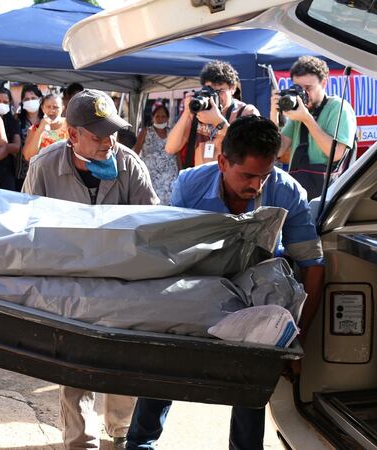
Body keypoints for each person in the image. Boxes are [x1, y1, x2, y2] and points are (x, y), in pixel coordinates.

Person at [127, 115, 325, 450]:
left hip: (257, 300)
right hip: (196, 288)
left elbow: (313, 265)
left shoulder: (288, 190)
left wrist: (296, 339)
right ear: (222, 161)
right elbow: (170, 255)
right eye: (247, 175)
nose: (257, 186)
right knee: (162, 368)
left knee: (250, 385)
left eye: (264, 176)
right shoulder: (188, 185)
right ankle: (140, 444)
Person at [23, 89, 159, 450]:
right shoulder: (45, 167)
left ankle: (121, 429)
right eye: (98, 135)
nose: (108, 142)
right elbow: (27, 229)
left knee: (123, 364)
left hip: (123, 283)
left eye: (112, 132)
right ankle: (81, 443)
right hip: (69, 286)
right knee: (75, 368)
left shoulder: (130, 165)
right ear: (73, 135)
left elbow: (153, 226)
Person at [271, 56, 357, 199]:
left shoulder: (339, 108)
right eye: (298, 88)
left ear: (324, 83)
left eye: (308, 88)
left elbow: (336, 154)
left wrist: (307, 119)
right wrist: (274, 114)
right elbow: (277, 151)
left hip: (329, 196)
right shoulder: (300, 111)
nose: (303, 94)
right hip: (300, 193)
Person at [165, 60, 259, 169]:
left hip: (230, 183)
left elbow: (252, 149)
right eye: (210, 91)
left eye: (220, 91)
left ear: (233, 88)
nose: (215, 97)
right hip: (201, 180)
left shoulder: (246, 112)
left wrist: (218, 122)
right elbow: (170, 148)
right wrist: (187, 112)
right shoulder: (198, 112)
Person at [135, 105, 179, 205]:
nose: (160, 119)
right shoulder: (146, 131)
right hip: (151, 175)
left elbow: (177, 154)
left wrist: (180, 172)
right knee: (153, 202)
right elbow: (136, 151)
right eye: (157, 116)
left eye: (163, 117)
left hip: (170, 175)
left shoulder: (172, 132)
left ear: (167, 118)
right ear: (153, 117)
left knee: (170, 203)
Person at [0, 86, 21, 191]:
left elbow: (16, 147)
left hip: (6, 169)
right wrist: (6, 147)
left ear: (10, 103)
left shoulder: (13, 122)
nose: (1, 104)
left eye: (5, 102)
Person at [22, 92, 68, 161]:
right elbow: (28, 156)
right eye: (48, 107)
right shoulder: (35, 128)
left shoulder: (70, 126)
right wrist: (40, 129)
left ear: (62, 108)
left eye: (56, 107)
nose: (52, 110)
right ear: (42, 108)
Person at [14, 83, 43, 190]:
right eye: (26, 99)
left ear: (40, 99)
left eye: (33, 98)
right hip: (21, 171)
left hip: (41, 171)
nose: (30, 101)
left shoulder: (45, 120)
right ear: (22, 102)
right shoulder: (17, 120)